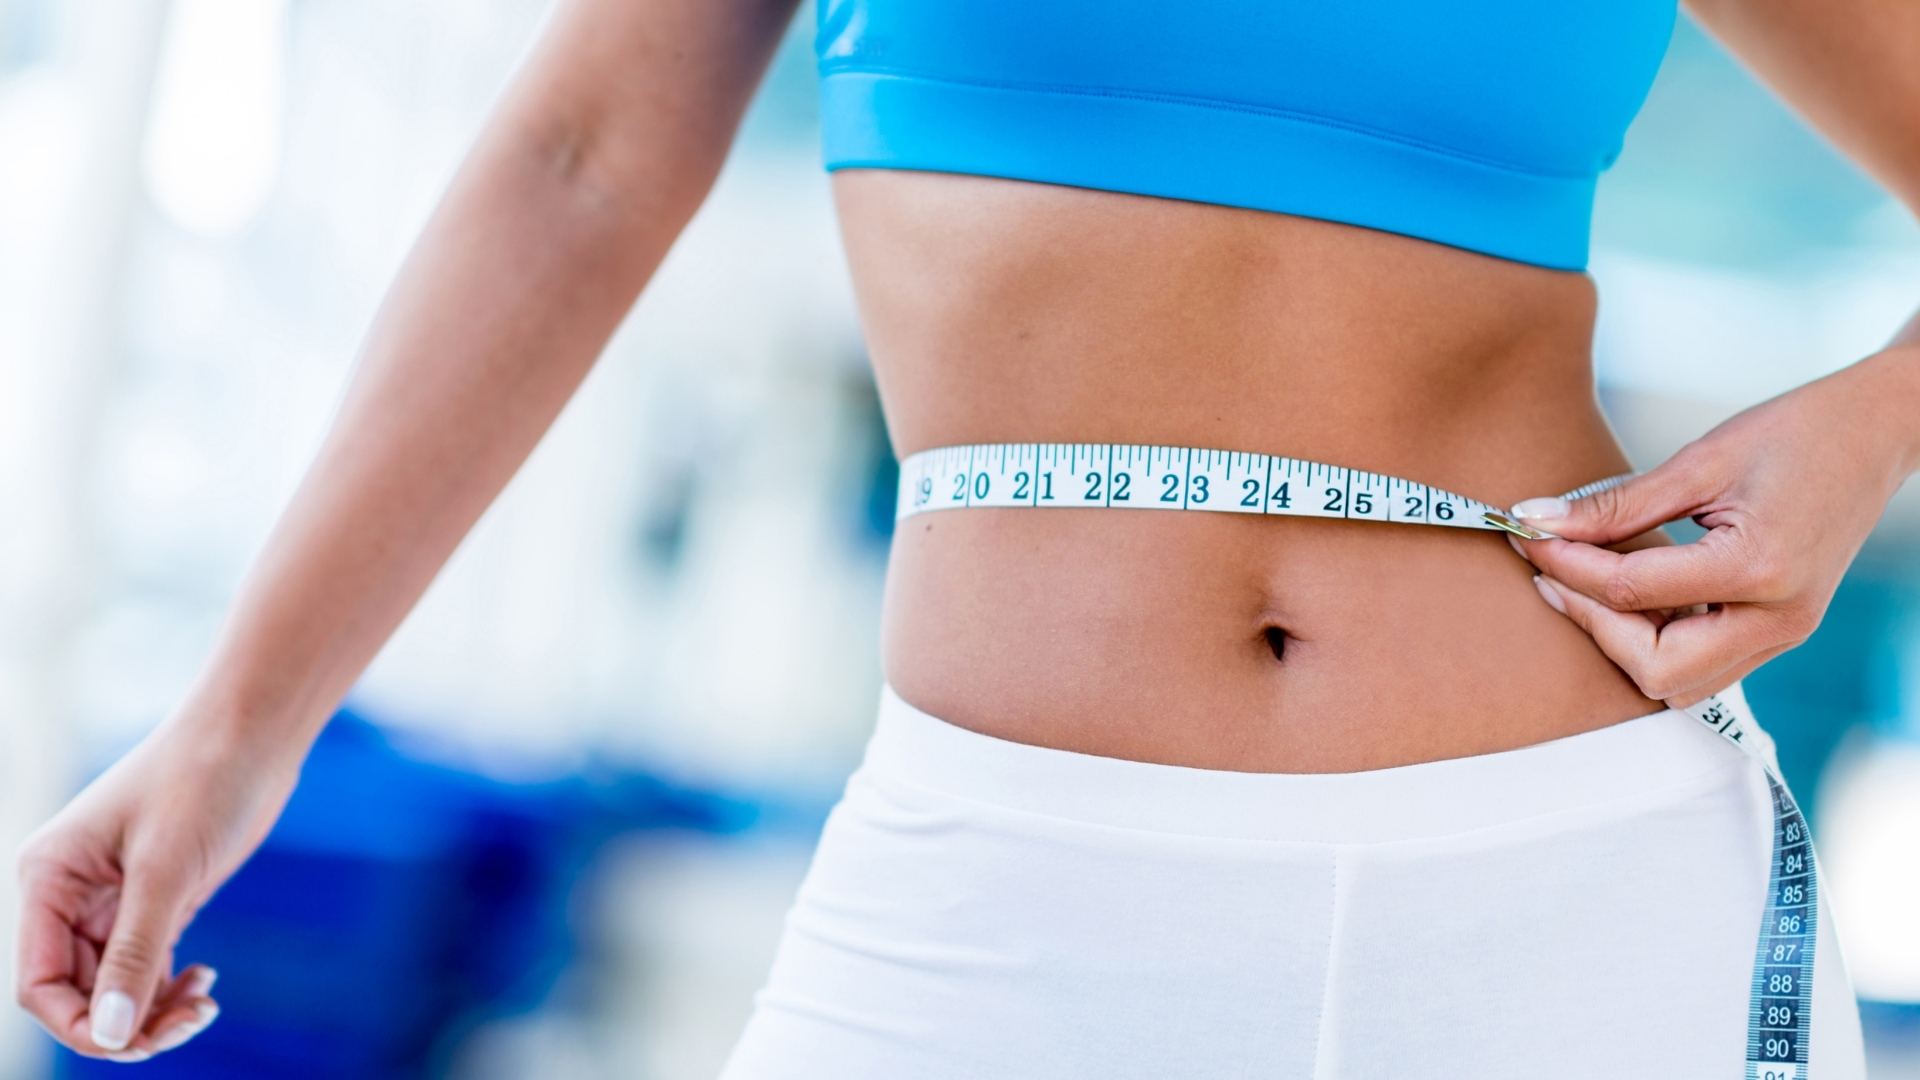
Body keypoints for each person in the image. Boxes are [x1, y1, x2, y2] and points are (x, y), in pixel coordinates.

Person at [15, 0, 1920, 1072]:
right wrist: (231, 733)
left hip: (1564, 881)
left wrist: (1867, 433)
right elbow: (581, 161)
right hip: (999, 884)